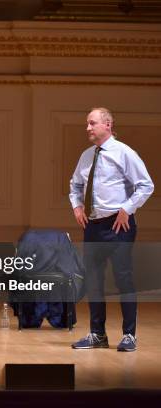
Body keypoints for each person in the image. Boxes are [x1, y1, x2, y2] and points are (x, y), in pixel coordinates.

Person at [69, 107, 154, 352]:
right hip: (93, 226)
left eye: (92, 123)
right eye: (87, 123)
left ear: (107, 124)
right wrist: (76, 206)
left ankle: (129, 335)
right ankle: (97, 334)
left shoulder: (124, 152)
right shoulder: (86, 155)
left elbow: (145, 185)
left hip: (119, 225)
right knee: (94, 281)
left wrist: (127, 208)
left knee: (123, 279)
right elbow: (74, 185)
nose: (87, 128)